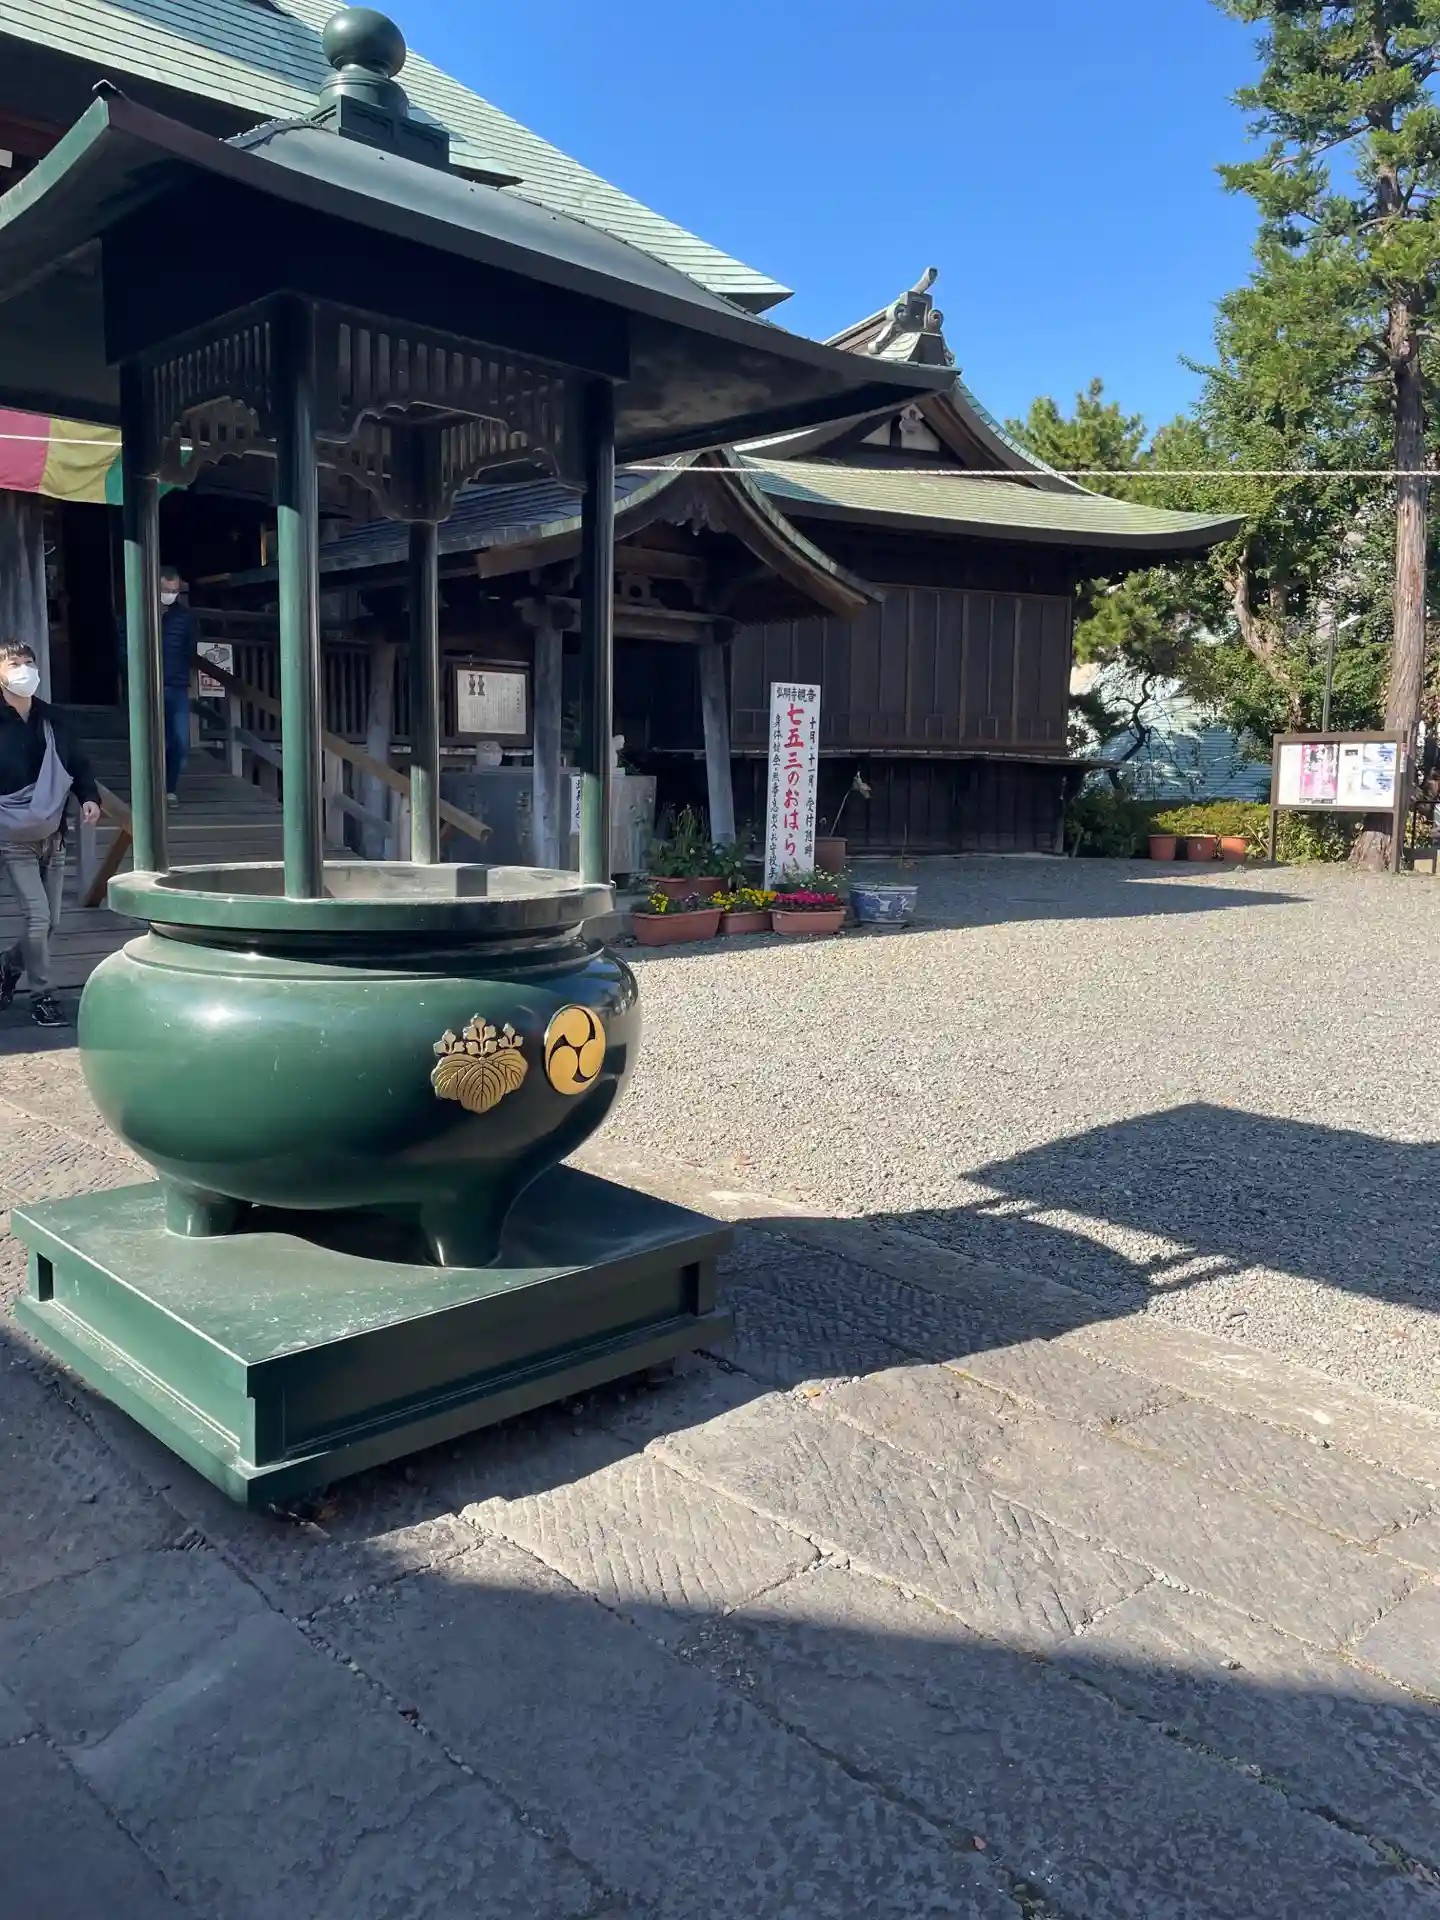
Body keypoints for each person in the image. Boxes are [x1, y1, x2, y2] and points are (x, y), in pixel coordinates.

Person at [0, 641, 102, 1027]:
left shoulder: (53, 719)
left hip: (53, 832)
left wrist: (88, 796)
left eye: (28, 662)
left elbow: (77, 762)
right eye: (14, 663)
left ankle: (8, 966)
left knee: (51, 921)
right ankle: (43, 995)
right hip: (12, 835)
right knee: (37, 916)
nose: (23, 669)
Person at [159, 566, 198, 806]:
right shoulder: (141, 613)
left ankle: (169, 788)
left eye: (174, 591)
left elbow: (191, 649)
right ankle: (153, 789)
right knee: (152, 741)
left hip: (177, 686)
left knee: (181, 741)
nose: (170, 594)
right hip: (148, 687)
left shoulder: (185, 617)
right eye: (166, 590)